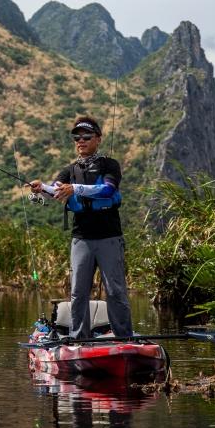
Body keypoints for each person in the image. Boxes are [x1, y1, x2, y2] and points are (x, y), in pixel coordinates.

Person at [30, 115, 132, 340]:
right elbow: (57, 190)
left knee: (115, 291)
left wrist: (75, 189)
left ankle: (125, 338)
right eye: (77, 137)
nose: (81, 140)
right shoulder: (69, 170)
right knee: (78, 293)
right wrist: (41, 188)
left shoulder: (109, 164)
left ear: (98, 139)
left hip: (109, 237)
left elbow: (107, 191)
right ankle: (79, 340)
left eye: (86, 136)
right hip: (81, 239)